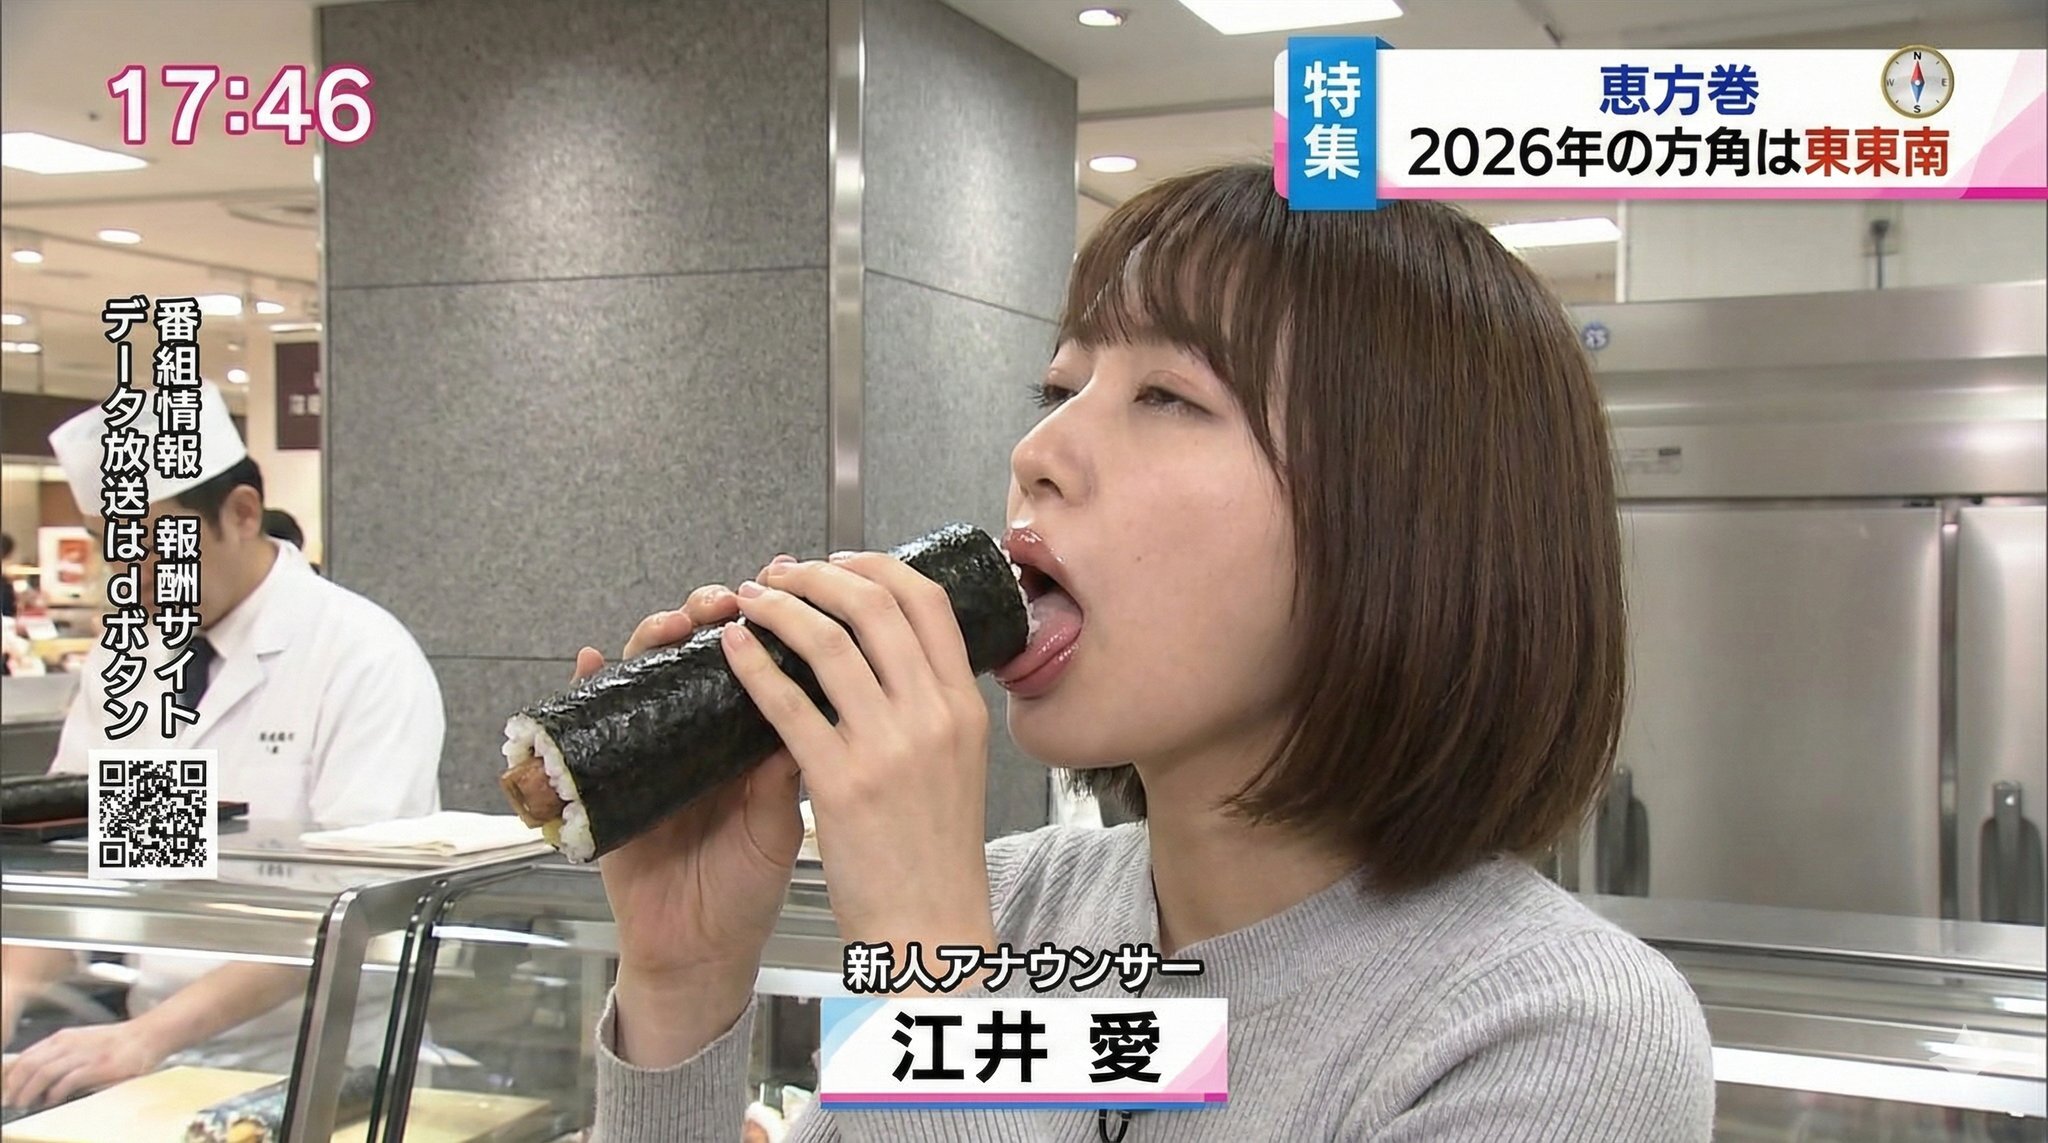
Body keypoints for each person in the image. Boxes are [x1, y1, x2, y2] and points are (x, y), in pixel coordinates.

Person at [587, 164, 1716, 1140]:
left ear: (1407, 521)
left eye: (1168, 396)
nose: (1037, 448)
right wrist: (683, 985)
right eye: (1059, 387)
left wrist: (934, 977)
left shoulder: (1558, 1029)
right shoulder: (1016, 910)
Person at [0, 382, 445, 1109]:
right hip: (152, 1061)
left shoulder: (361, 654)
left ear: (240, 513)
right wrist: (11, 985)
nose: (130, 574)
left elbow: (354, 902)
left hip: (330, 1065)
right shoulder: (126, 661)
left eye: (152, 543)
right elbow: (75, 848)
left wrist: (149, 1036)